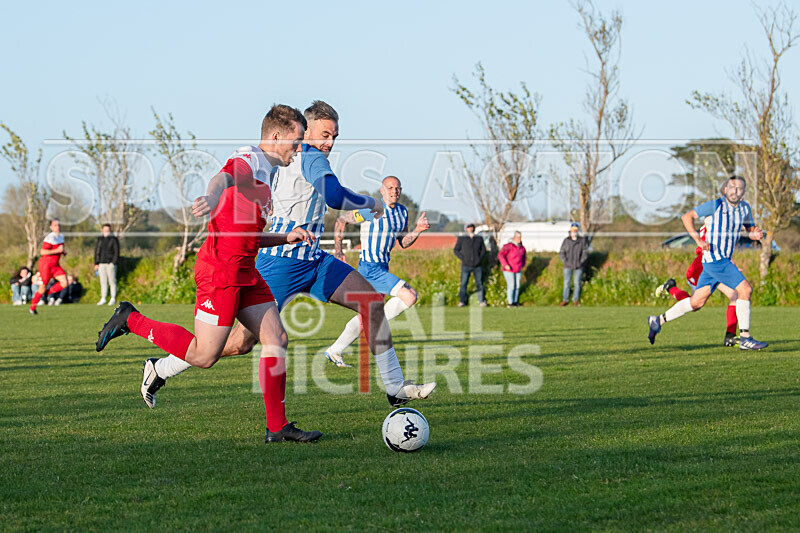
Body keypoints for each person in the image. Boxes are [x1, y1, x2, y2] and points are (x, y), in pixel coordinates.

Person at [145, 101, 436, 409]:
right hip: (280, 262)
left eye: (335, 136)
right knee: (238, 344)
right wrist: (372, 202)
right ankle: (161, 368)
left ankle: (395, 387)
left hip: (313, 259)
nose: (329, 142)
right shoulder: (309, 156)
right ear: (305, 130)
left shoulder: (296, 155)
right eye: (324, 134)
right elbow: (336, 196)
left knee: (371, 304)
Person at [96, 104, 325, 443]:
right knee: (205, 356)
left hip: (245, 270)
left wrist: (284, 237)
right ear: (275, 136)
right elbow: (225, 176)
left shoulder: (270, 173)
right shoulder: (250, 158)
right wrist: (211, 194)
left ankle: (277, 427)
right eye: (296, 139)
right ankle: (131, 320)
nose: (300, 147)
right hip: (220, 272)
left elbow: (247, 236)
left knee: (276, 339)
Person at [648, 176, 768, 350]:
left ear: (743, 192)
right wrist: (697, 240)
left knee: (696, 302)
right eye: (732, 187)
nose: (735, 191)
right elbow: (686, 217)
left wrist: (755, 233)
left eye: (740, 188)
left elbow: (749, 229)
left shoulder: (745, 209)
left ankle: (657, 320)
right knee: (745, 290)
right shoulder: (715, 205)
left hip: (718, 261)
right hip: (715, 259)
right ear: (725, 189)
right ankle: (745, 338)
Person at [324, 175, 430, 365]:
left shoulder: (402, 212)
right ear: (382, 191)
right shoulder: (371, 210)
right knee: (410, 295)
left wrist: (418, 230)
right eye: (389, 188)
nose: (394, 192)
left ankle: (335, 350)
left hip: (382, 267)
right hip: (369, 269)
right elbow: (341, 220)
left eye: (397, 188)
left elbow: (403, 242)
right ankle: (376, 324)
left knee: (364, 316)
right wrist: (339, 251)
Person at [654, 216, 739, 346]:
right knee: (694, 304)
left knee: (734, 296)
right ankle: (671, 289)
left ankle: (730, 336)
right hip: (700, 268)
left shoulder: (718, 224)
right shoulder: (714, 224)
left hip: (712, 266)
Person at [30, 219, 69, 315]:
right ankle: (32, 307)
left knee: (64, 282)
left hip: (55, 265)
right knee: (42, 287)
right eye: (55, 225)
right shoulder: (49, 238)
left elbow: (59, 249)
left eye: (58, 225)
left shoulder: (61, 237)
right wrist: (57, 251)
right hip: (46, 265)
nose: (57, 227)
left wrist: (63, 252)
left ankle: (48, 293)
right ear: (51, 227)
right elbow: (42, 252)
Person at [453, 223, 487, 307]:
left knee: (479, 283)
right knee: (464, 283)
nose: (470, 229)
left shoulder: (479, 238)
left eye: (472, 227)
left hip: (477, 265)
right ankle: (462, 301)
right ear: (466, 229)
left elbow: (483, 250)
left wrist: (479, 258)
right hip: (466, 265)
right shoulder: (462, 238)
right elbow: (456, 250)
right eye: (469, 227)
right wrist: (463, 258)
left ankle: (481, 301)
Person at [559, 222, 589, 306]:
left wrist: (581, 262)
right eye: (572, 230)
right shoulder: (566, 241)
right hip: (567, 266)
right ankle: (565, 300)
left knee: (577, 283)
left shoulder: (582, 241)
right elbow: (561, 252)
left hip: (578, 266)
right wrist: (565, 261)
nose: (574, 232)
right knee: (566, 283)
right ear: (570, 231)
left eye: (575, 230)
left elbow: (585, 252)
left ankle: (575, 300)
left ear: (577, 231)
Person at [498, 231, 526, 307]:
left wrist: (522, 265)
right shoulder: (508, 246)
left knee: (517, 286)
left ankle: (515, 301)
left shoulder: (522, 247)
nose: (519, 239)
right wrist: (505, 264)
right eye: (518, 237)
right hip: (509, 269)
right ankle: (510, 302)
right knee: (511, 285)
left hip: (518, 269)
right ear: (514, 237)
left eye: (520, 237)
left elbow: (524, 258)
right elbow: (500, 255)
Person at [94, 223, 119, 306]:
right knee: (103, 281)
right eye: (105, 229)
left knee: (112, 281)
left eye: (107, 230)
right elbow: (97, 251)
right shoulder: (100, 239)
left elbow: (116, 252)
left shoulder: (113, 239)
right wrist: (96, 263)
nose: (106, 231)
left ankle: (113, 298)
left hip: (110, 264)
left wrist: (113, 262)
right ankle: (103, 298)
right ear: (102, 230)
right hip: (101, 263)